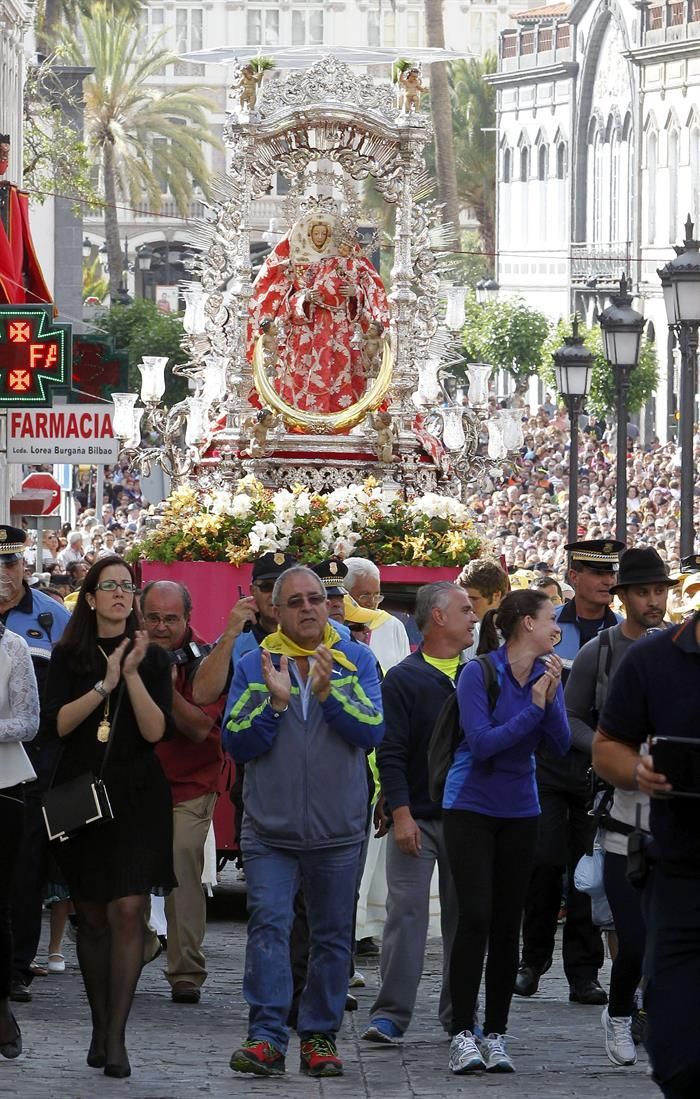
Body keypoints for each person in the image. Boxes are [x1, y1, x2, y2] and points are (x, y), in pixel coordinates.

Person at [225, 566, 383, 1079]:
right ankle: (267, 1037)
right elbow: (236, 741)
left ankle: (318, 1034)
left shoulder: (355, 660)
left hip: (338, 831)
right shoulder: (256, 662)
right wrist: (275, 704)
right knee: (269, 928)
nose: (309, 608)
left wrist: (326, 695)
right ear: (276, 609)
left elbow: (372, 730)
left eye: (317, 598)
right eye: (295, 601)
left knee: (333, 936)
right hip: (270, 830)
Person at [42, 555, 175, 1079]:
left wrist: (132, 675)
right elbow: (55, 725)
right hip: (82, 795)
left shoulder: (154, 657)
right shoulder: (68, 654)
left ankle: (117, 1037)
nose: (120, 594)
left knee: (128, 911)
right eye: (110, 586)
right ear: (90, 597)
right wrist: (103, 683)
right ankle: (99, 1024)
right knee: (92, 918)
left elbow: (154, 732)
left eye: (127, 586)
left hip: (138, 796)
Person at [444, 589, 570, 1075]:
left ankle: (495, 1033)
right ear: (524, 624)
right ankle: (461, 1031)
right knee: (475, 916)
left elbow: (559, 746)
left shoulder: (547, 674)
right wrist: (533, 710)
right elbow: (482, 745)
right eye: (550, 619)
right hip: (471, 805)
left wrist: (551, 699)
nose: (556, 628)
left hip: (521, 809)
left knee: (505, 924)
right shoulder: (479, 672)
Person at [565, 547, 677, 1067]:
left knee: (668, 935)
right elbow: (573, 719)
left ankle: (656, 1017)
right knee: (631, 935)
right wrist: (614, 754)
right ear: (624, 597)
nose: (655, 600)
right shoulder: (602, 651)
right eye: (644, 591)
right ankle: (620, 1010)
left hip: (675, 810)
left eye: (660, 591)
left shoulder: (680, 648)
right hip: (619, 810)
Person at [362, 583, 477, 1044]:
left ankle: (461, 1017)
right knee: (405, 918)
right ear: (439, 618)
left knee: (464, 919)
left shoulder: (480, 673)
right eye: (465, 610)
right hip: (420, 817)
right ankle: (391, 1015)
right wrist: (402, 813)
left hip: (471, 820)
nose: (474, 617)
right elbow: (390, 751)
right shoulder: (405, 679)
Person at [593, 606, 700, 1098]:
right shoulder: (653, 659)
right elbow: (607, 746)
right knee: (675, 1049)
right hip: (680, 876)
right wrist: (638, 771)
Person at [515, 539, 624, 1005]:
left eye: (610, 573)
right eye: (595, 572)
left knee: (588, 866)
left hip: (598, 761)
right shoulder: (546, 625)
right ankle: (532, 959)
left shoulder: (622, 633)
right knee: (542, 862)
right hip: (548, 757)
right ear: (573, 575)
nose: (606, 582)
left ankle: (584, 971)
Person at [141, 580, 225, 1006]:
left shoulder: (207, 659)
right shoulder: (124, 650)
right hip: (135, 780)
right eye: (152, 617)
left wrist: (158, 681)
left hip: (191, 780)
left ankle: (186, 971)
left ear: (187, 620)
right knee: (122, 865)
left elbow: (197, 728)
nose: (160, 627)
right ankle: (139, 943)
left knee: (181, 861)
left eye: (170, 619)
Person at [0, 524, 70, 1004]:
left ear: (24, 565)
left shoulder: (50, 618)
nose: (3, 573)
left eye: (9, 562)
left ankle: (18, 967)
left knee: (28, 870)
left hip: (40, 764)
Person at [247, 211, 389, 414]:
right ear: (309, 235)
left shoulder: (354, 266)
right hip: (307, 330)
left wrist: (354, 294)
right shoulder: (307, 263)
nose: (320, 238)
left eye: (324, 234)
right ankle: (298, 420)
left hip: (341, 329)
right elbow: (286, 298)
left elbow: (367, 298)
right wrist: (305, 298)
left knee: (341, 374)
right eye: (316, 234)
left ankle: (342, 421)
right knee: (302, 375)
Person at [343, 556, 410, 955]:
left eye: (375, 595)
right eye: (361, 595)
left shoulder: (391, 628)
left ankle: (363, 923)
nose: (370, 602)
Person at [0, 621, 40, 1060]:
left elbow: (29, 722)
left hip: (3, 784)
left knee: (0, 904)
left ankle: (1, 1005)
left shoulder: (13, 647)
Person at [192, 552, 297, 707]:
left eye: (283, 587)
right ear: (253, 591)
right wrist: (229, 635)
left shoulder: (313, 633)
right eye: (267, 587)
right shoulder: (235, 639)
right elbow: (201, 695)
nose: (275, 595)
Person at [456, 558, 510, 658]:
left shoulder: (519, 634)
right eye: (464, 598)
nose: (468, 605)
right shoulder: (459, 632)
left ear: (496, 596)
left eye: (474, 599)